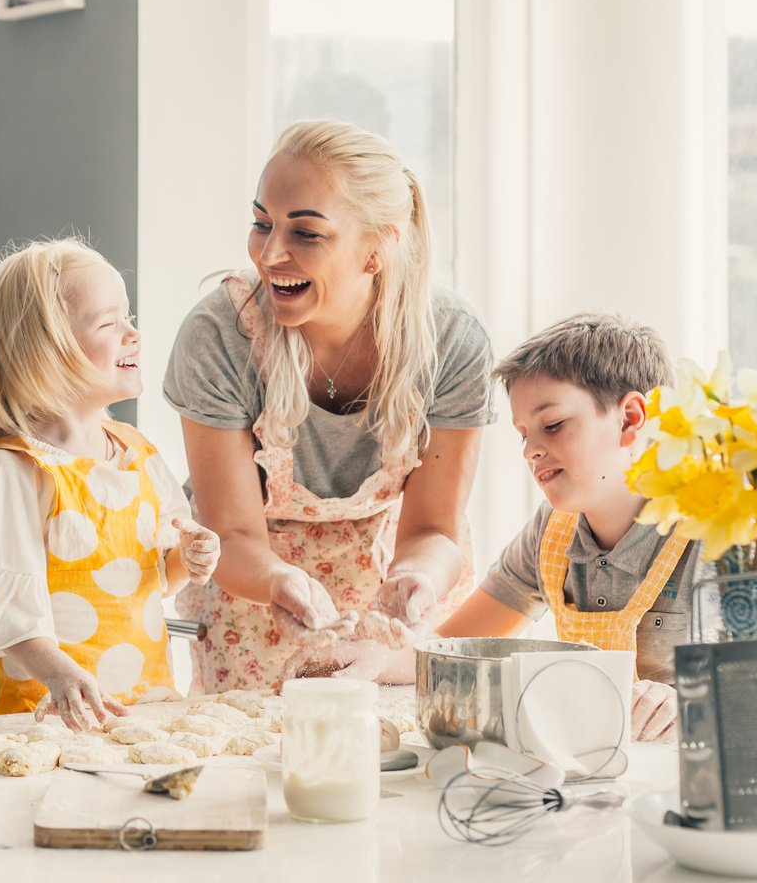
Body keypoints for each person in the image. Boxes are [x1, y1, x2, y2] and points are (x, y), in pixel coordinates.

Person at [163, 119, 496, 692]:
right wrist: (276, 581)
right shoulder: (220, 335)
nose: (270, 255)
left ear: (377, 249)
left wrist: (417, 577)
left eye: (306, 234)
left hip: (390, 605)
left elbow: (434, 528)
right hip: (254, 598)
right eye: (261, 224)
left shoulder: (451, 340)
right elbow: (232, 531)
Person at [287, 313, 692, 741]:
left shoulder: (717, 533)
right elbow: (457, 643)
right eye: (523, 435)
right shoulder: (553, 532)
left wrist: (686, 703)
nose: (531, 451)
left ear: (630, 419)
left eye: (552, 425)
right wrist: (377, 659)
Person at [0, 238, 221, 732]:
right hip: (45, 721)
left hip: (142, 715)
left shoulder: (138, 453)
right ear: (45, 353)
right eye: (109, 323)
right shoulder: (17, 469)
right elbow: (7, 616)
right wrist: (62, 677)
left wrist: (188, 560)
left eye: (128, 316)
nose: (133, 334)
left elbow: (153, 581)